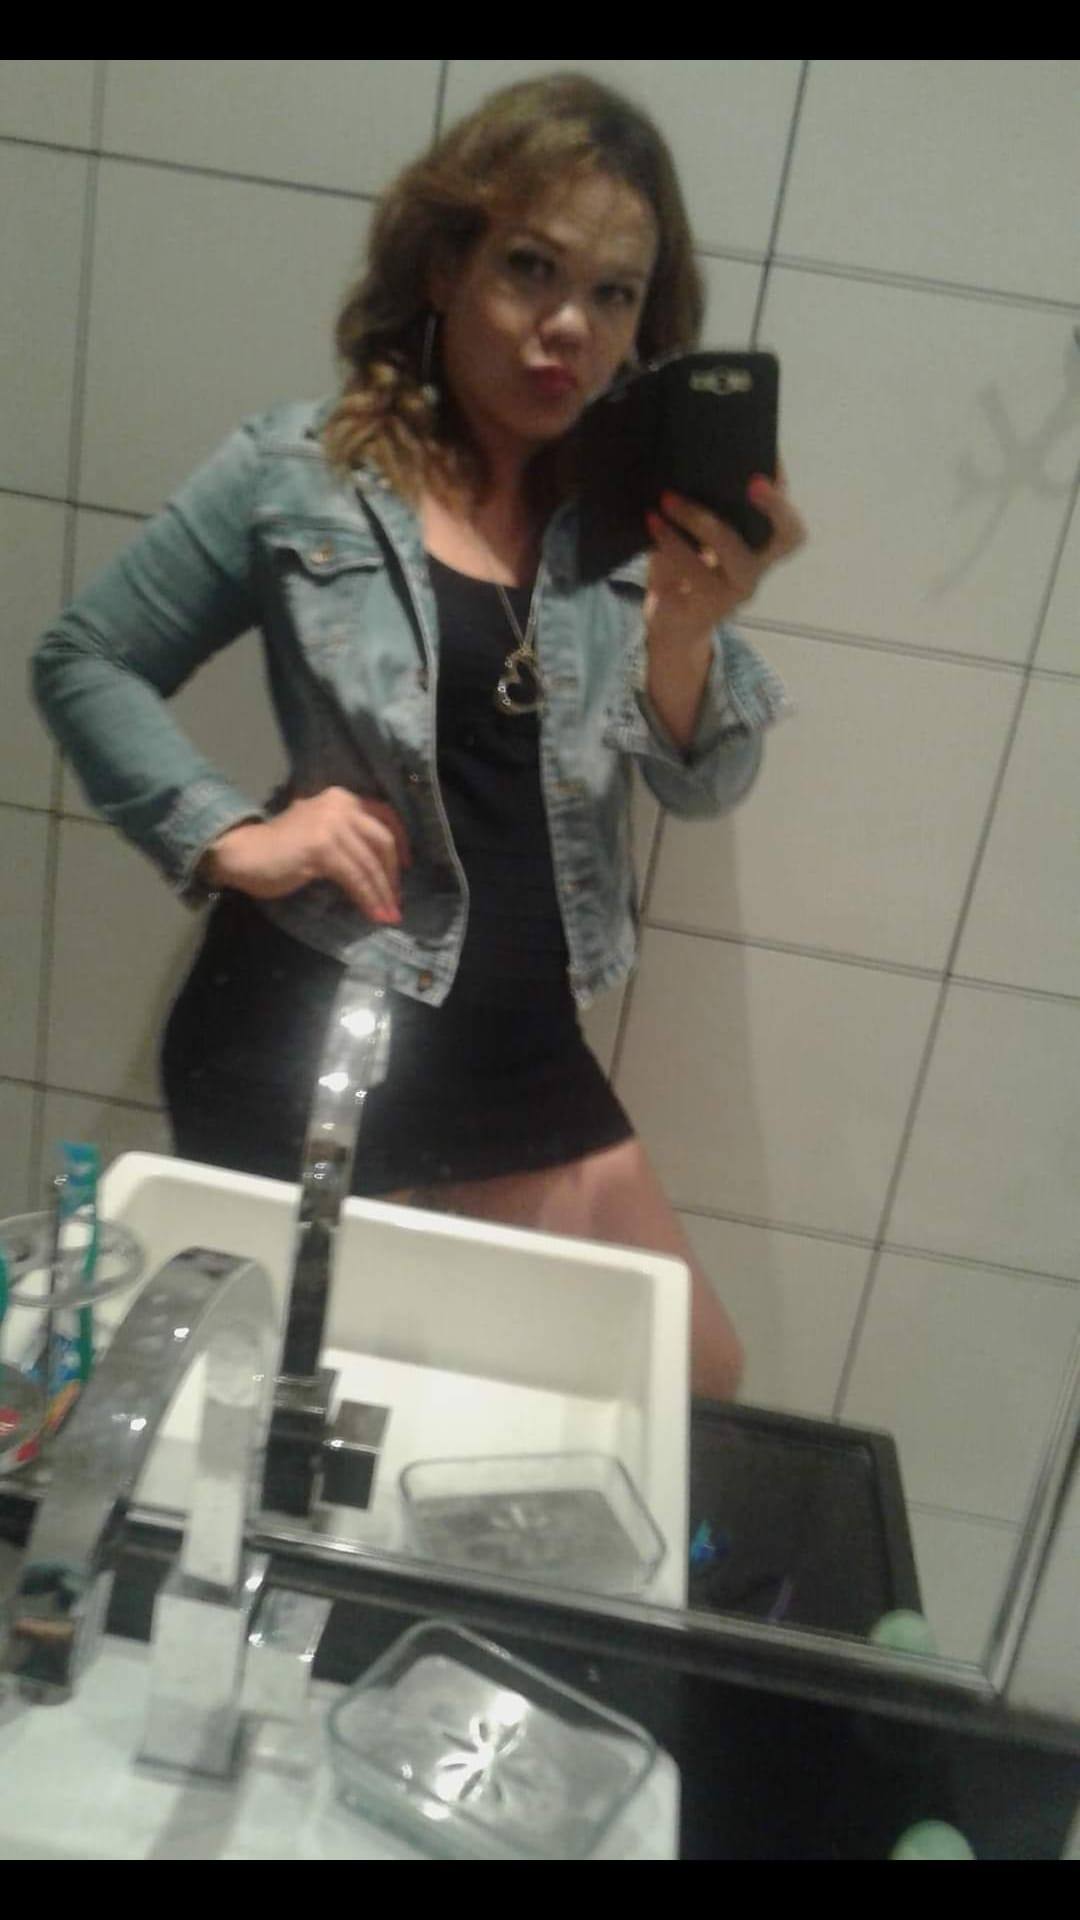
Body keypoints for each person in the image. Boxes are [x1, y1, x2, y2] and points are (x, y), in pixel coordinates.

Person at [32, 72, 806, 1401]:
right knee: (305, 1407)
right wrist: (229, 835)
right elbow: (84, 659)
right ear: (446, 265)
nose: (569, 326)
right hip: (313, 1026)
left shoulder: (630, 519)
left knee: (692, 1376)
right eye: (530, 268)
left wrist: (685, 630)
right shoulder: (300, 472)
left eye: (614, 293)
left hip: (520, 1048)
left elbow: (707, 782)